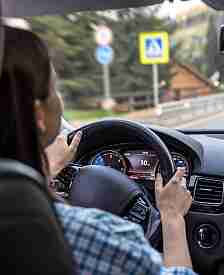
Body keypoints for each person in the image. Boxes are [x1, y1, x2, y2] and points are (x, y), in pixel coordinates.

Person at [0, 25, 196, 275]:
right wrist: (172, 218)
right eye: (54, 89)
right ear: (39, 116)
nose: (59, 98)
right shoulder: (96, 236)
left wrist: (46, 171)